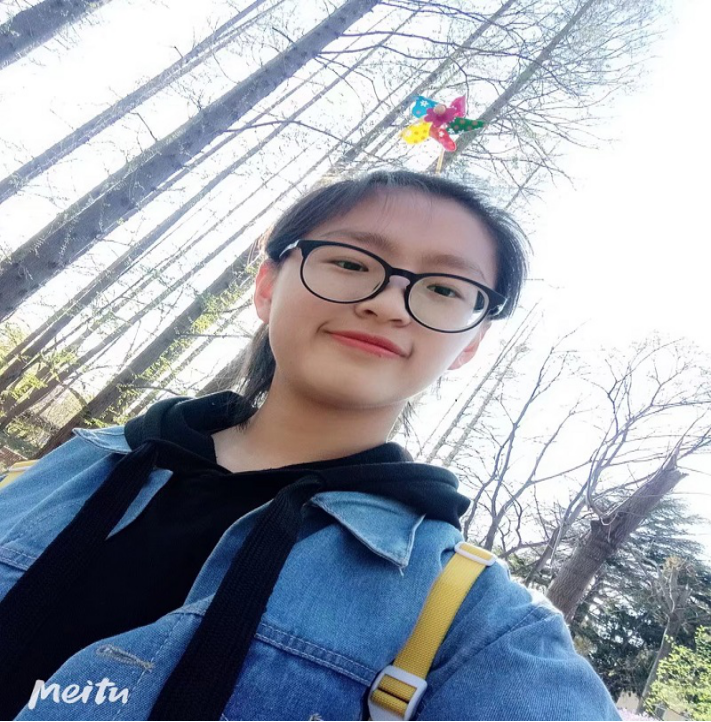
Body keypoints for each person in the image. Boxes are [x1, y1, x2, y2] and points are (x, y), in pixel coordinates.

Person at [0, 169, 620, 720]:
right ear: (267, 286)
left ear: (470, 344)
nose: (389, 304)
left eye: (444, 289)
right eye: (351, 263)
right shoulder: (63, 470)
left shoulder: (473, 618)